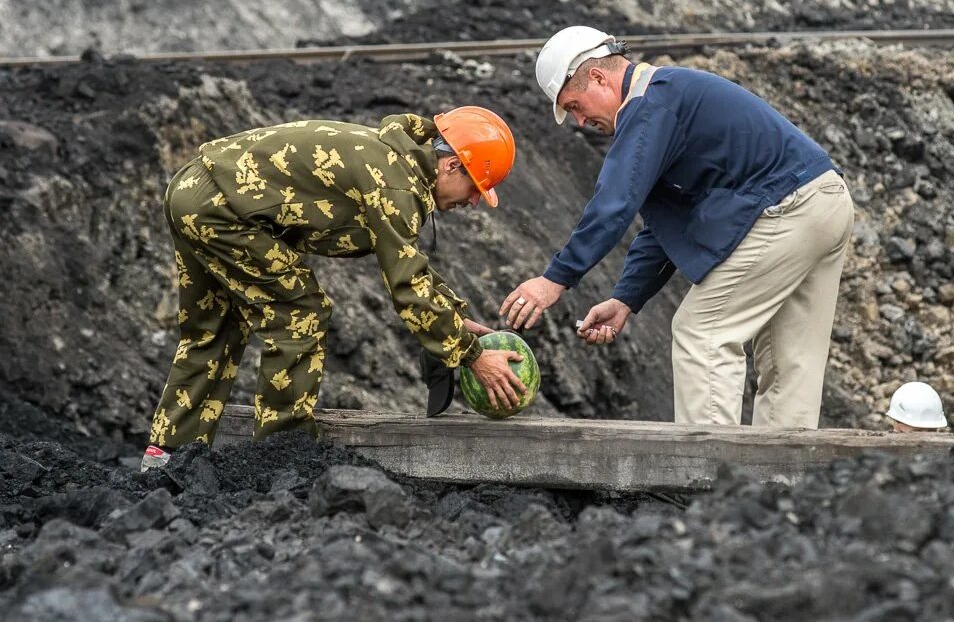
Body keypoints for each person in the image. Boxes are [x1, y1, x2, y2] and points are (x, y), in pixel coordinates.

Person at [500, 26, 854, 428]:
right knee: (789, 359)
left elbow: (615, 204)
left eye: (575, 105)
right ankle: (780, 484)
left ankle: (712, 480)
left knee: (702, 334)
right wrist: (626, 299)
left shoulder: (651, 104)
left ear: (598, 77)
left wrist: (554, 280)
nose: (580, 121)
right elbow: (665, 222)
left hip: (791, 208)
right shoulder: (667, 101)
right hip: (826, 202)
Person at [142, 108, 525, 471]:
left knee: (215, 327)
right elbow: (406, 285)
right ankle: (281, 457)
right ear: (452, 164)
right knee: (300, 314)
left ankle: (167, 455)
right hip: (220, 212)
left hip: (192, 192)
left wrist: (453, 317)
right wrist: (472, 355)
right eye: (476, 187)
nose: (474, 201)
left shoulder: (394, 163)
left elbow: (408, 262)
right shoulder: (395, 183)